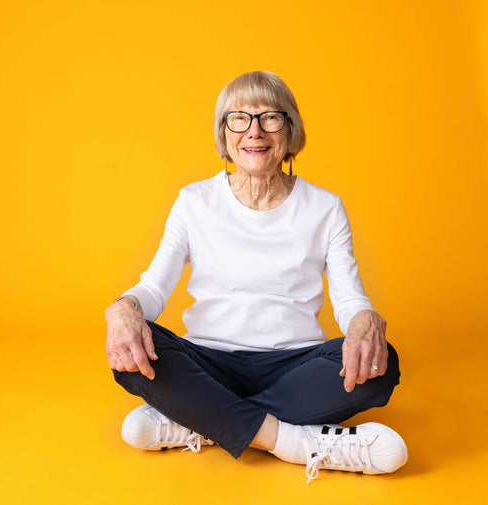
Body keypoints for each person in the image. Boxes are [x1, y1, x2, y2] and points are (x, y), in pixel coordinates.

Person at [105, 71, 407, 483]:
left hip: (294, 363)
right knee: (134, 350)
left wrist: (364, 320)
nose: (255, 132)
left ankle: (198, 419)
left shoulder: (325, 208)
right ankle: (300, 444)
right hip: (207, 359)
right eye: (239, 118)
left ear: (290, 130)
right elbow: (153, 288)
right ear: (224, 133)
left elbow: (350, 300)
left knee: (381, 363)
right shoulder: (194, 202)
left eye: (270, 117)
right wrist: (124, 308)